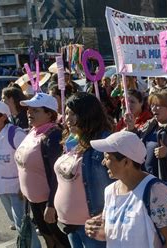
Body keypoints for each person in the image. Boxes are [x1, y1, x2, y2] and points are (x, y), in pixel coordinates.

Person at [84, 131, 167, 247]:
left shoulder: (155, 191)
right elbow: (113, 234)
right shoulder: (109, 191)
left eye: (107, 158)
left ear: (126, 162)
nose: (103, 163)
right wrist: (94, 230)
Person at [0, 101, 41, 247]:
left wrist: (24, 186)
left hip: (16, 188)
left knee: (22, 223)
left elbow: (28, 160)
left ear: (3, 116)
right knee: (16, 222)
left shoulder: (16, 134)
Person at [54, 92, 114, 247]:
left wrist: (105, 215)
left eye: (74, 114)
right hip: (70, 224)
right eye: (66, 113)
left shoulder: (104, 143)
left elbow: (119, 184)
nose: (68, 119)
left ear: (88, 114)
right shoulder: (71, 140)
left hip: (94, 226)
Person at [14, 93, 70, 248]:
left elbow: (56, 175)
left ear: (49, 114)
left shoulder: (53, 136)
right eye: (29, 109)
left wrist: (51, 205)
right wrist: (23, 188)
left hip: (48, 201)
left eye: (35, 110)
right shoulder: (33, 131)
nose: (29, 113)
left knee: (60, 240)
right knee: (48, 238)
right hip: (34, 199)